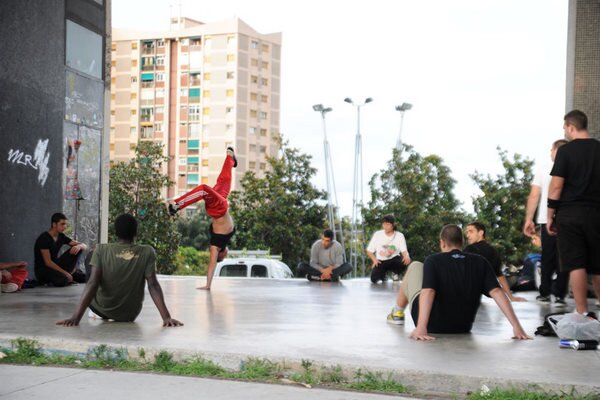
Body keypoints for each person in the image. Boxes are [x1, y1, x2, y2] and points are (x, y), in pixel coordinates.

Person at [387, 224, 531, 341]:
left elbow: (428, 291)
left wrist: (421, 327)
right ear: (461, 243)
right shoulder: (480, 261)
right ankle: (398, 312)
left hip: (432, 326)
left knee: (415, 266)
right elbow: (497, 292)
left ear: (442, 243)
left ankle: (397, 312)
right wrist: (517, 327)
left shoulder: (433, 260)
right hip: (463, 327)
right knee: (421, 269)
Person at [56, 214, 183, 327]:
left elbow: (92, 283)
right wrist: (166, 317)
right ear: (135, 232)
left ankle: (99, 312)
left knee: (91, 256)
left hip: (102, 309)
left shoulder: (101, 250)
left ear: (115, 232)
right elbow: (153, 285)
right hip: (129, 315)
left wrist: (75, 318)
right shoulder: (147, 251)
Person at [547, 110, 600, 316]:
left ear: (570, 126)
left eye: (564, 128)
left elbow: (556, 187)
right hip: (596, 213)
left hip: (570, 214)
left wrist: (551, 215)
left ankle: (582, 313)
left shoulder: (566, 152)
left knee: (576, 263)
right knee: (597, 265)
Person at [168, 148, 237, 290]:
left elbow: (212, 265)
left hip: (218, 208)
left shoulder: (215, 247)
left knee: (204, 189)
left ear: (220, 255)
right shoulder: (225, 241)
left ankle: (177, 206)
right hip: (221, 203)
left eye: (224, 257)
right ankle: (231, 159)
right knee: (225, 180)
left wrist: (208, 285)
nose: (227, 254)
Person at [523, 139, 570, 306]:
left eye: (551, 150)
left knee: (547, 257)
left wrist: (529, 219)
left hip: (545, 219)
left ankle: (544, 293)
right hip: (568, 220)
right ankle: (560, 295)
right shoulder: (573, 169)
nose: (550, 153)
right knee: (565, 257)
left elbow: (534, 195)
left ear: (557, 151)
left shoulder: (543, 169)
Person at [463, 222, 526, 302]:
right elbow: (499, 275)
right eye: (467, 232)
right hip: (488, 290)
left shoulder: (470, 249)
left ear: (481, 233)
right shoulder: (493, 251)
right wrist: (511, 297)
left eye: (471, 231)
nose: (467, 235)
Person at [34, 213, 87, 287]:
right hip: (44, 270)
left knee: (78, 249)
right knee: (63, 280)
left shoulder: (61, 236)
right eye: (62, 224)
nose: (65, 227)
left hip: (57, 267)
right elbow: (48, 262)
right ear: (54, 224)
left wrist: (80, 246)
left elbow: (84, 246)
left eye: (65, 224)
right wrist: (65, 273)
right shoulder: (44, 238)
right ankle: (67, 275)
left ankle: (71, 273)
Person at [366, 214, 411, 284]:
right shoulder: (377, 234)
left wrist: (407, 256)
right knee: (374, 279)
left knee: (403, 261)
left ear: (393, 225)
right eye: (384, 224)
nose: (385, 226)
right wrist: (374, 260)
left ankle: (395, 273)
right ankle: (383, 276)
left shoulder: (399, 235)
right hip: (381, 261)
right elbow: (369, 251)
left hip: (394, 260)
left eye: (387, 224)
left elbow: (404, 250)